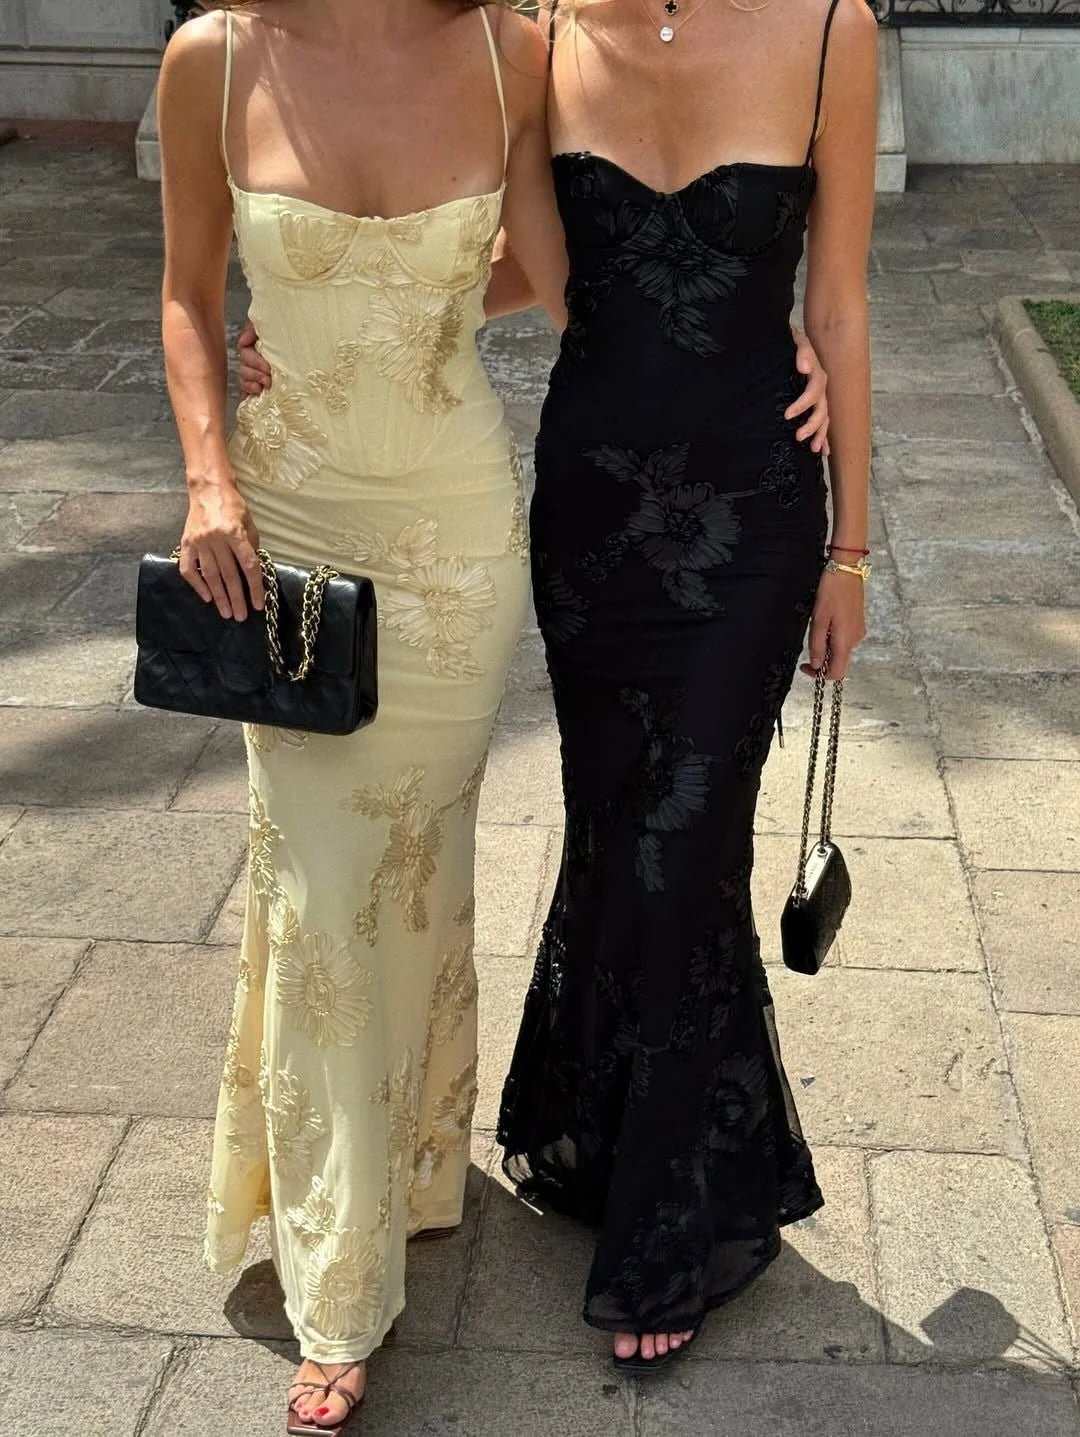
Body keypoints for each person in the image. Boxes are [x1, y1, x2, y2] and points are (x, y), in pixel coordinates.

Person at [234, 0, 848, 1384]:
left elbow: (828, 298)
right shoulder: (544, 38)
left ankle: (661, 1225)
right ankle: (600, 1126)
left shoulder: (822, 29)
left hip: (747, 505)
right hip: (592, 513)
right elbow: (529, 271)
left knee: (687, 843)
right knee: (623, 834)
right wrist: (318, 335)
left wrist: (832, 493)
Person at [158, 1, 568, 1429]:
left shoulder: (511, 52)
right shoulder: (214, 56)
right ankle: (339, 1284)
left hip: (457, 531)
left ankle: (411, 1164)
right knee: (327, 886)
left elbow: (558, 274)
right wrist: (211, 480)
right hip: (293, 529)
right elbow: (185, 291)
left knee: (421, 852)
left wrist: (782, 364)